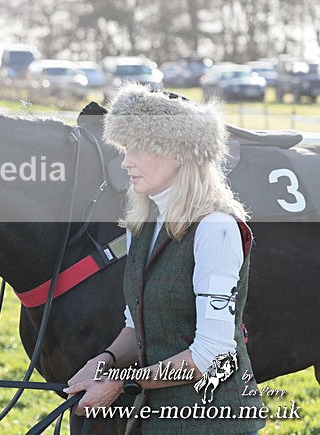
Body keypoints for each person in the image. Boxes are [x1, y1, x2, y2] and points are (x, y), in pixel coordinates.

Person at [64, 85, 265, 434]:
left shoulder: (215, 228)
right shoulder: (142, 226)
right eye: (126, 149)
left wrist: (121, 383)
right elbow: (136, 325)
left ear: (178, 154)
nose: (126, 161)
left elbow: (211, 356)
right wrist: (105, 361)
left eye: (139, 149)